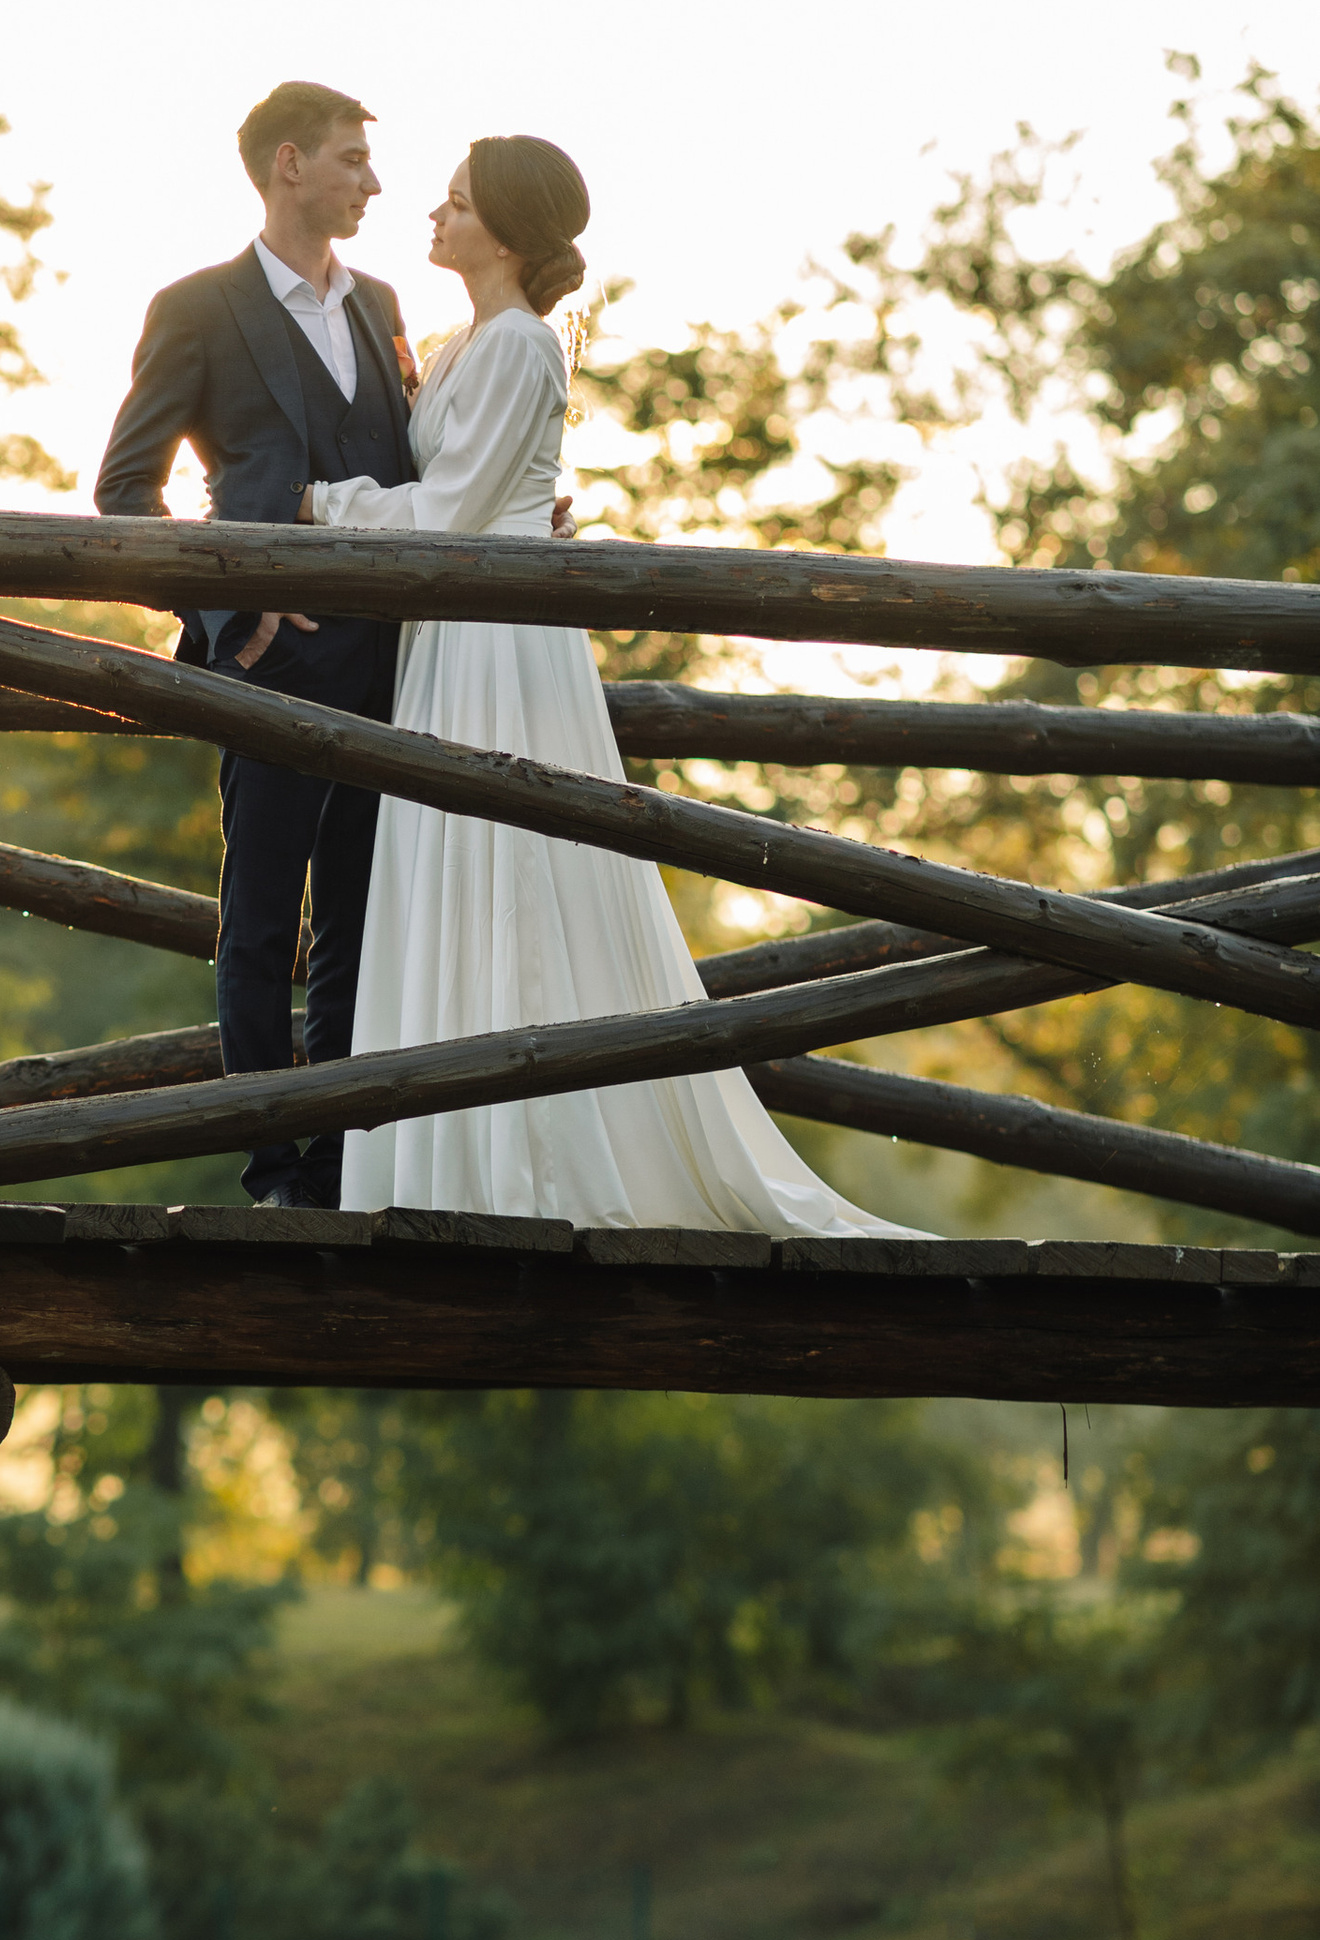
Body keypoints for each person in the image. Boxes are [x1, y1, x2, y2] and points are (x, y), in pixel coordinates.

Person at [301, 133, 900, 1234]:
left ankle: (533, 1158)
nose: (432, 214)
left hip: (500, 632)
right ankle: (456, 1146)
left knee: (516, 858)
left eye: (457, 201)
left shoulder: (524, 342)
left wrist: (313, 506)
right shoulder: (456, 341)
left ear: (509, 231)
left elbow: (453, 512)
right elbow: (471, 490)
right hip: (451, 626)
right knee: (455, 858)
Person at [93, 80, 416, 1208]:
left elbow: (407, 471)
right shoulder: (196, 307)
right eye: (350, 160)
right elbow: (123, 493)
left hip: (395, 657)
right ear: (288, 165)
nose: (371, 182)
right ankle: (272, 1170)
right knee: (264, 916)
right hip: (269, 664)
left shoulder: (379, 303)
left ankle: (336, 1161)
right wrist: (229, 607)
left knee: (364, 912)